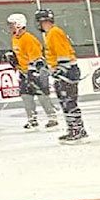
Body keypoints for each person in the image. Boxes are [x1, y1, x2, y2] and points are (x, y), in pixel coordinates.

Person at [36, 9, 88, 143]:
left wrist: (61, 69)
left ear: (42, 21)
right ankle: (75, 129)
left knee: (68, 101)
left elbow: (63, 53)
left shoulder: (54, 33)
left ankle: (76, 130)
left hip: (67, 72)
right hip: (65, 71)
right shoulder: (50, 34)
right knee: (66, 101)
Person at [5, 13, 59, 131]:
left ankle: (52, 117)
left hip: (36, 71)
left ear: (19, 25)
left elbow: (36, 59)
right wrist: (13, 58)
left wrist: (31, 72)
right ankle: (32, 119)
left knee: (42, 96)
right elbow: (20, 54)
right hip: (24, 72)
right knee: (26, 96)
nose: (10, 27)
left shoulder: (28, 39)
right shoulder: (15, 38)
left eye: (12, 25)